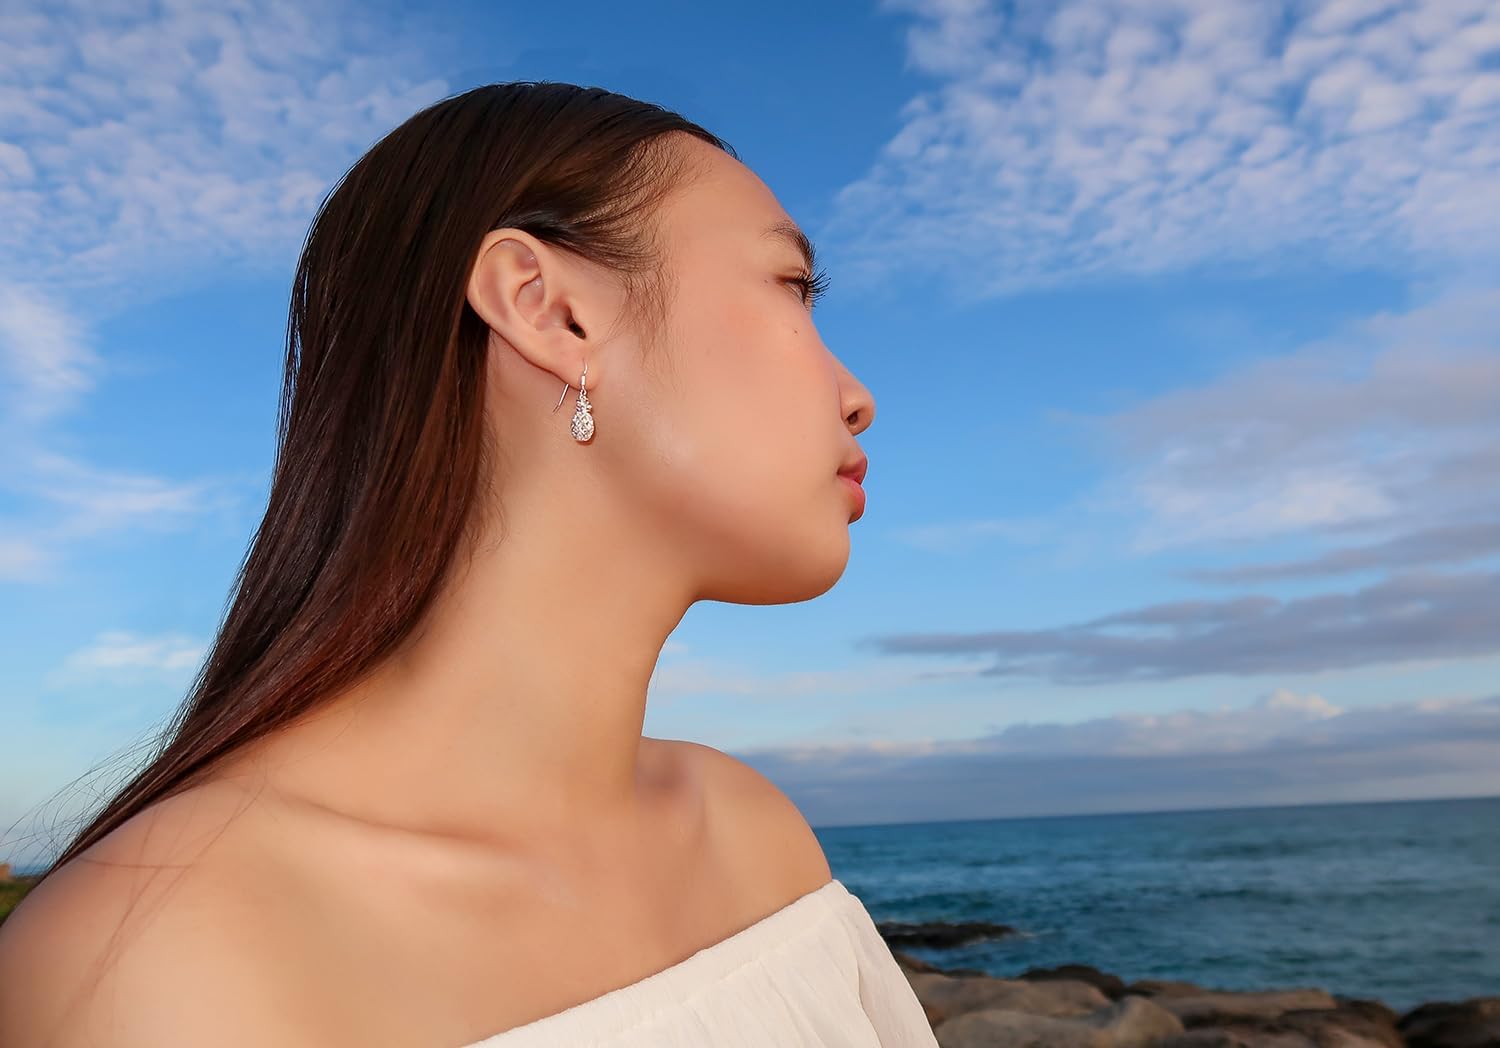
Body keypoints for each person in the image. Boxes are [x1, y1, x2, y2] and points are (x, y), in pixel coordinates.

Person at [0, 81, 937, 1046]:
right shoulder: (154, 960)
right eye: (792, 286)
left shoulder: (752, 841)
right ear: (548, 311)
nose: (856, 395)